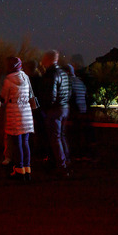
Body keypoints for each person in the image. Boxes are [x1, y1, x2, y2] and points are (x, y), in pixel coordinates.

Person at [0, 57, 36, 181]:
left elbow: (4, 97)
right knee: (25, 142)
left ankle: (19, 170)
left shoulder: (8, 79)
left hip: (14, 112)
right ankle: (27, 169)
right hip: (26, 112)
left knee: (17, 142)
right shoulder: (25, 77)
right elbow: (31, 94)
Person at [37, 50, 72, 178]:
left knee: (55, 138)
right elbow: (69, 91)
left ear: (48, 59)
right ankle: (66, 161)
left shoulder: (51, 74)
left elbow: (51, 95)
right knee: (61, 136)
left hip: (55, 110)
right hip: (64, 107)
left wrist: (46, 108)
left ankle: (61, 166)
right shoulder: (63, 73)